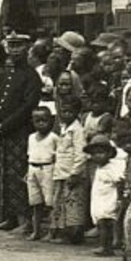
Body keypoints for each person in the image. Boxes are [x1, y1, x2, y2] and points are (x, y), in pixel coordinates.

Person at [0, 33, 41, 232]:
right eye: (11, 45)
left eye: (19, 46)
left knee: (19, 175)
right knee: (3, 174)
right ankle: (8, 216)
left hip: (20, 132)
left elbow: (28, 106)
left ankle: (24, 220)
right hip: (3, 132)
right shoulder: (6, 74)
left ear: (27, 48)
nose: (14, 50)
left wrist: (6, 124)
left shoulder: (31, 76)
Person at [47, 95, 89, 245]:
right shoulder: (64, 128)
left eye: (70, 112)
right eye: (63, 111)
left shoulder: (77, 130)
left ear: (77, 112)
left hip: (71, 174)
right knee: (61, 203)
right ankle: (61, 232)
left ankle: (74, 234)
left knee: (73, 205)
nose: (66, 115)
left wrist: (75, 173)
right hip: (61, 172)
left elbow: (81, 153)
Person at [85, 132, 126, 257]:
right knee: (102, 223)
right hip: (100, 199)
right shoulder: (99, 168)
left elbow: (120, 181)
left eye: (101, 153)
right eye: (94, 153)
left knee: (105, 223)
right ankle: (108, 245)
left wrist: (119, 199)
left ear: (109, 154)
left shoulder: (111, 168)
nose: (97, 156)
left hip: (109, 200)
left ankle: (106, 246)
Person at [24, 106, 58, 242]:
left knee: (50, 202)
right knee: (35, 202)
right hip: (33, 169)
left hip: (47, 169)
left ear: (51, 121)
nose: (41, 123)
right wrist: (27, 172)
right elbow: (29, 155)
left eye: (44, 120)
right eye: (37, 120)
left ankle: (51, 231)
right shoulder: (31, 137)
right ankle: (36, 230)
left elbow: (57, 157)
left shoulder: (53, 138)